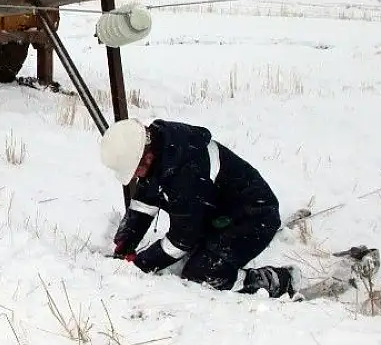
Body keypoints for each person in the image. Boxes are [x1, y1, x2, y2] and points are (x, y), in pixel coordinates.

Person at [99, 117, 300, 298]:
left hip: (255, 217)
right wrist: (125, 242)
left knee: (202, 273)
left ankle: (277, 281)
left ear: (146, 156)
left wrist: (141, 265)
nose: (136, 177)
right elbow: (145, 200)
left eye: (135, 171)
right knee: (193, 255)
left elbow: (181, 240)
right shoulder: (162, 151)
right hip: (217, 216)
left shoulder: (187, 173)